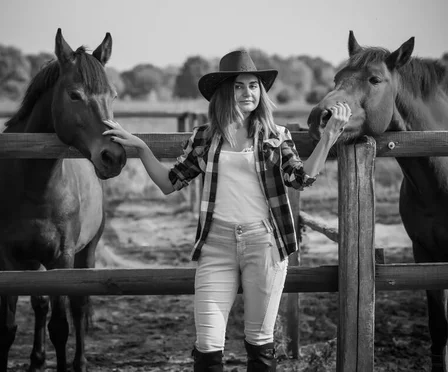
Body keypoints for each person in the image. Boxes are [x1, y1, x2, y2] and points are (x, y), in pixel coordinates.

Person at [102, 50, 351, 372]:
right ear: (224, 92)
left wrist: (329, 137)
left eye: (253, 86)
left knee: (260, 342)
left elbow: (300, 179)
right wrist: (142, 147)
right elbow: (169, 183)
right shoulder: (205, 137)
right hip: (216, 246)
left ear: (261, 92)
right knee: (207, 346)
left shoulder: (275, 136)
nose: (247, 93)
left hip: (264, 245)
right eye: (238, 86)